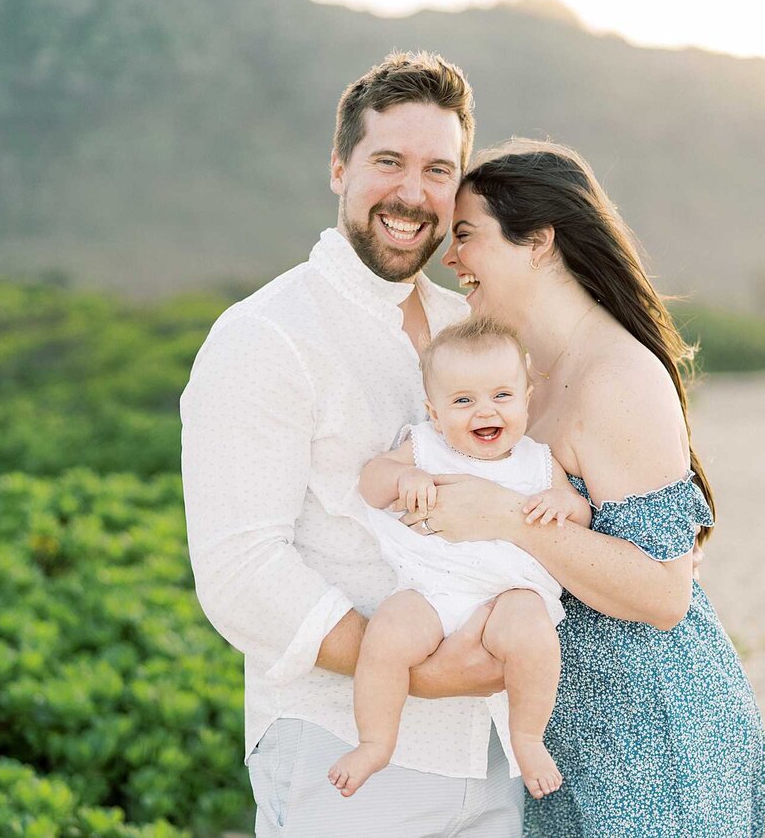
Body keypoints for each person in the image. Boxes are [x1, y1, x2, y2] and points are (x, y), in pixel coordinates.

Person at [180, 52, 527, 837]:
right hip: (343, 758)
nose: (412, 193)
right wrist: (419, 675)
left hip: (494, 755)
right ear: (339, 168)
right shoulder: (264, 336)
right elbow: (240, 574)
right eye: (387, 162)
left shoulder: (470, 331)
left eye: (439, 170)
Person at [413, 138, 765, 836]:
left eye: (466, 235)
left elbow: (665, 595)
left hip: (656, 738)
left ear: (539, 241)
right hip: (574, 742)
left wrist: (508, 518)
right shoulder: (528, 378)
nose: (450, 258)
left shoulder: (618, 375)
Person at [328, 316, 590, 800]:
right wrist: (401, 479)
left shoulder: (539, 461)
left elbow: (580, 516)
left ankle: (529, 737)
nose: (484, 411)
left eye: (501, 396)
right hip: (432, 590)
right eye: (463, 400)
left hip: (511, 593)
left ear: (527, 398)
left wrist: (566, 504)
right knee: (385, 635)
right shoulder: (424, 448)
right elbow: (371, 480)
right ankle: (375, 741)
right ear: (434, 411)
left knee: (534, 637)